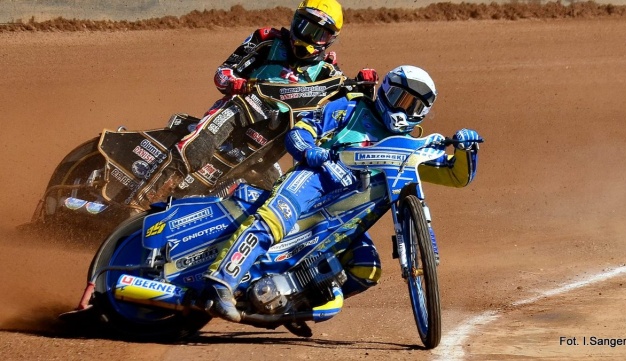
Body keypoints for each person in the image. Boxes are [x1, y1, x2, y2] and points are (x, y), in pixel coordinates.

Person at [200, 64, 483, 322]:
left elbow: (455, 176)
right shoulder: (351, 108)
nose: (405, 110)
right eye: (401, 99)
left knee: (366, 269)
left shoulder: (409, 148)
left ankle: (295, 304)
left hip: (346, 218)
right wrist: (311, 151)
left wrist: (466, 150)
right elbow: (300, 131)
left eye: (415, 107)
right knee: (275, 219)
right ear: (385, 92)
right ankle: (221, 282)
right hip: (314, 180)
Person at [142, 0, 379, 207]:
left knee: (276, 200)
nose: (307, 37)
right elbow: (223, 72)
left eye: (318, 33)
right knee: (197, 149)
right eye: (304, 26)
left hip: (269, 148)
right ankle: (141, 200)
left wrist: (365, 87)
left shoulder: (328, 73)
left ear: (330, 40)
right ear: (295, 20)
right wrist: (236, 83)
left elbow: (347, 113)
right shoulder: (267, 41)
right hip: (239, 112)